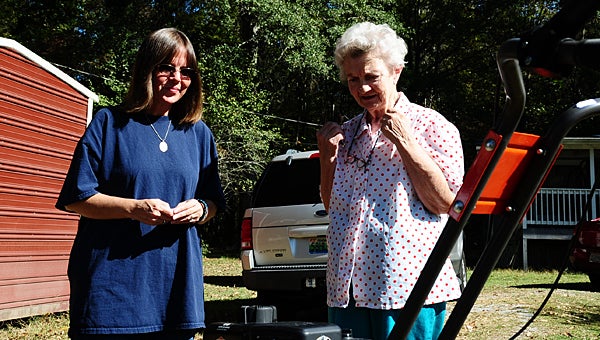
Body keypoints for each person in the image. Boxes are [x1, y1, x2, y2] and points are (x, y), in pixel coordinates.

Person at [55, 28, 225, 340]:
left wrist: (200, 209)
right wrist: (134, 208)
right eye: (167, 67)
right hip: (112, 292)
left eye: (186, 71)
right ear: (147, 68)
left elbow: (214, 202)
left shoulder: (199, 134)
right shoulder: (109, 124)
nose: (177, 79)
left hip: (175, 291)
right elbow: (77, 198)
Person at [316, 22, 464, 340]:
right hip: (347, 289)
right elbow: (333, 207)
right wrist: (327, 159)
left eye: (371, 77)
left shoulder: (432, 125)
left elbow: (446, 204)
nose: (362, 88)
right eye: (353, 80)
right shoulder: (349, 132)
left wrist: (406, 143)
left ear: (396, 71)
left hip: (407, 289)